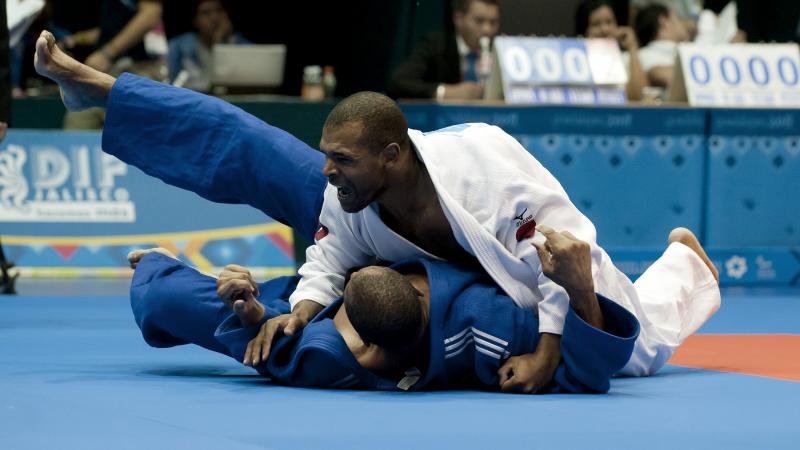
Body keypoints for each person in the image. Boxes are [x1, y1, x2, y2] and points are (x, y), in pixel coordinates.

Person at [33, 29, 721, 393]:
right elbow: (330, 254)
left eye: (342, 160)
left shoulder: (485, 166)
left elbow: (559, 259)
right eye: (330, 160)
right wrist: (299, 310)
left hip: (528, 272)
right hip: (380, 220)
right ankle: (95, 85)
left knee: (640, 349)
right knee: (253, 146)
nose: (326, 168)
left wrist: (546, 352)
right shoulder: (350, 181)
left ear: (392, 154)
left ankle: (685, 262)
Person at [64, 0, 163, 129]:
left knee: (132, 134)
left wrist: (107, 53)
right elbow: (110, 30)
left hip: (137, 69)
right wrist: (76, 39)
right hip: (109, 70)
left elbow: (151, 14)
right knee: (78, 122)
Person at [387, 0, 499, 100]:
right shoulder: (436, 45)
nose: (487, 30)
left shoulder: (501, 51)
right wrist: (445, 92)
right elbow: (398, 83)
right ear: (458, 18)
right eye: (479, 21)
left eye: (493, 22)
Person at [167, 0, 249, 92]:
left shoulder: (240, 44)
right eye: (206, 13)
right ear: (195, 20)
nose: (214, 17)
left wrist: (219, 42)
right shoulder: (179, 46)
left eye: (219, 11)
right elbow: (173, 85)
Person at [575, 0, 648, 102]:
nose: (604, 29)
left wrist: (632, 48)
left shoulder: (627, 58)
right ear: (584, 31)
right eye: (596, 24)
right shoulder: (577, 62)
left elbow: (640, 95)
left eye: (609, 22)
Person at [633, 3, 690, 88]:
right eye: (679, 19)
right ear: (663, 22)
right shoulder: (645, 54)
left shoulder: (684, 51)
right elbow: (664, 76)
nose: (685, 25)